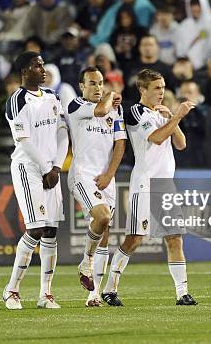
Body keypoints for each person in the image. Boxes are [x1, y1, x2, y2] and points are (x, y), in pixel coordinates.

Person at [101, 69, 197, 307]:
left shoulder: (162, 113)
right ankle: (110, 288)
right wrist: (177, 117)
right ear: (142, 90)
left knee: (174, 238)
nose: (161, 92)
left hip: (166, 184)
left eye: (163, 87)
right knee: (134, 239)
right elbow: (155, 138)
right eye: (156, 88)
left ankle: (182, 293)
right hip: (145, 183)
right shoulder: (136, 111)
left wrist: (171, 119)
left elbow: (182, 144)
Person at [2, 51, 69, 310]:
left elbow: (63, 132)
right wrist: (45, 168)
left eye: (42, 65)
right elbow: (24, 141)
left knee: (51, 232)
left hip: (52, 170)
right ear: (24, 71)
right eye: (37, 66)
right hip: (28, 168)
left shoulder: (52, 96)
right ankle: (11, 290)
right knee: (36, 229)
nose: (43, 69)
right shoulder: (17, 101)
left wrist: (56, 167)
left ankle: (45, 295)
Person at [66, 67, 126, 307]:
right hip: (83, 175)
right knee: (101, 217)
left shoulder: (116, 110)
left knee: (104, 233)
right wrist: (112, 95)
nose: (98, 88)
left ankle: (94, 295)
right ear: (82, 86)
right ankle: (85, 262)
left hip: (105, 178)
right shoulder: (75, 106)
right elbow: (101, 109)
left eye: (101, 83)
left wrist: (110, 174)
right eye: (92, 83)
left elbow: (120, 144)